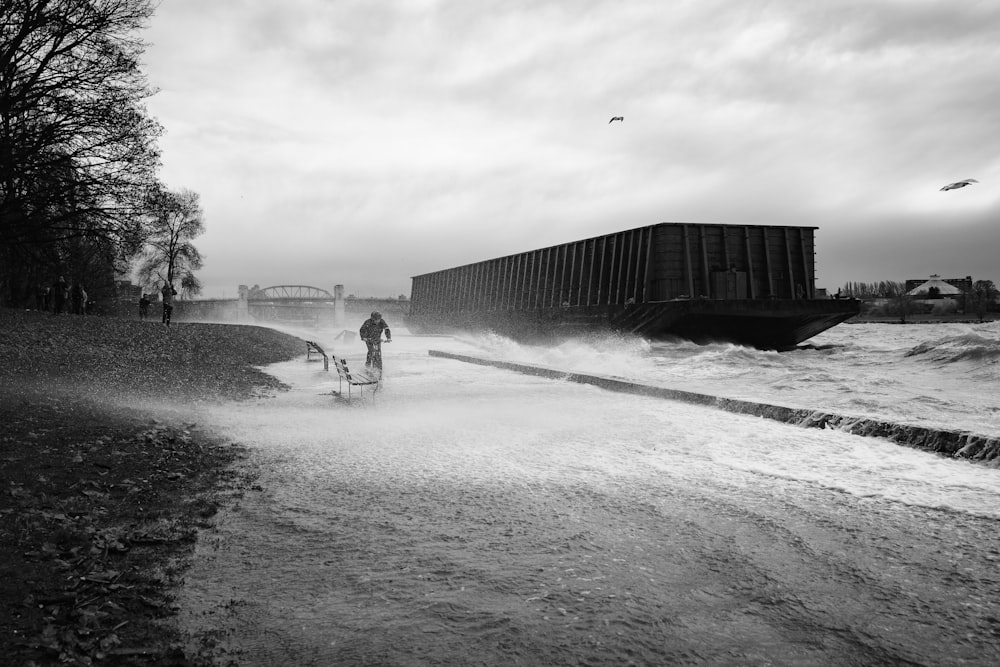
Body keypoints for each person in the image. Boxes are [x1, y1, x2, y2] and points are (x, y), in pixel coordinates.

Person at [359, 311, 392, 375]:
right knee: (371, 351)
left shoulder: (382, 322)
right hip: (369, 339)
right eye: (375, 320)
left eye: (378, 320)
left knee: (378, 352)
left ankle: (379, 367)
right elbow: (362, 330)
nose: (377, 321)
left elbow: (387, 329)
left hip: (377, 339)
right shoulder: (367, 322)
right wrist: (364, 337)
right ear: (372, 318)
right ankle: (368, 366)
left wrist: (388, 338)